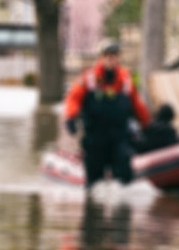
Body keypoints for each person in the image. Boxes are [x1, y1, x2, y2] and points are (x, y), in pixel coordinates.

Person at [63, 40, 151, 187]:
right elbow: (73, 98)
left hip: (119, 137)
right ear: (101, 58)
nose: (111, 58)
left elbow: (137, 104)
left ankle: (123, 206)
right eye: (107, 55)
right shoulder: (88, 78)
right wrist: (71, 117)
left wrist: (147, 124)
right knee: (94, 181)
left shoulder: (125, 80)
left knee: (124, 174)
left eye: (114, 55)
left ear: (118, 58)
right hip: (96, 137)